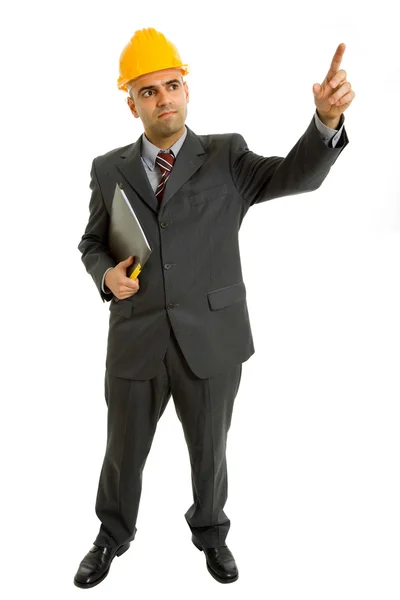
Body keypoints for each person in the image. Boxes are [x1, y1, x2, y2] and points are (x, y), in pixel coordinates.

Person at [74, 27, 354, 588]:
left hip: (212, 336)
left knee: (211, 449)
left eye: (172, 85)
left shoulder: (226, 154)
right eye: (149, 91)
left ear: (187, 88)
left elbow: (293, 176)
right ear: (131, 102)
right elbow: (92, 241)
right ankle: (112, 534)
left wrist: (324, 122)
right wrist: (105, 275)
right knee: (122, 452)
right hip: (136, 337)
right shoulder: (109, 168)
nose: (164, 98)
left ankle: (211, 531)